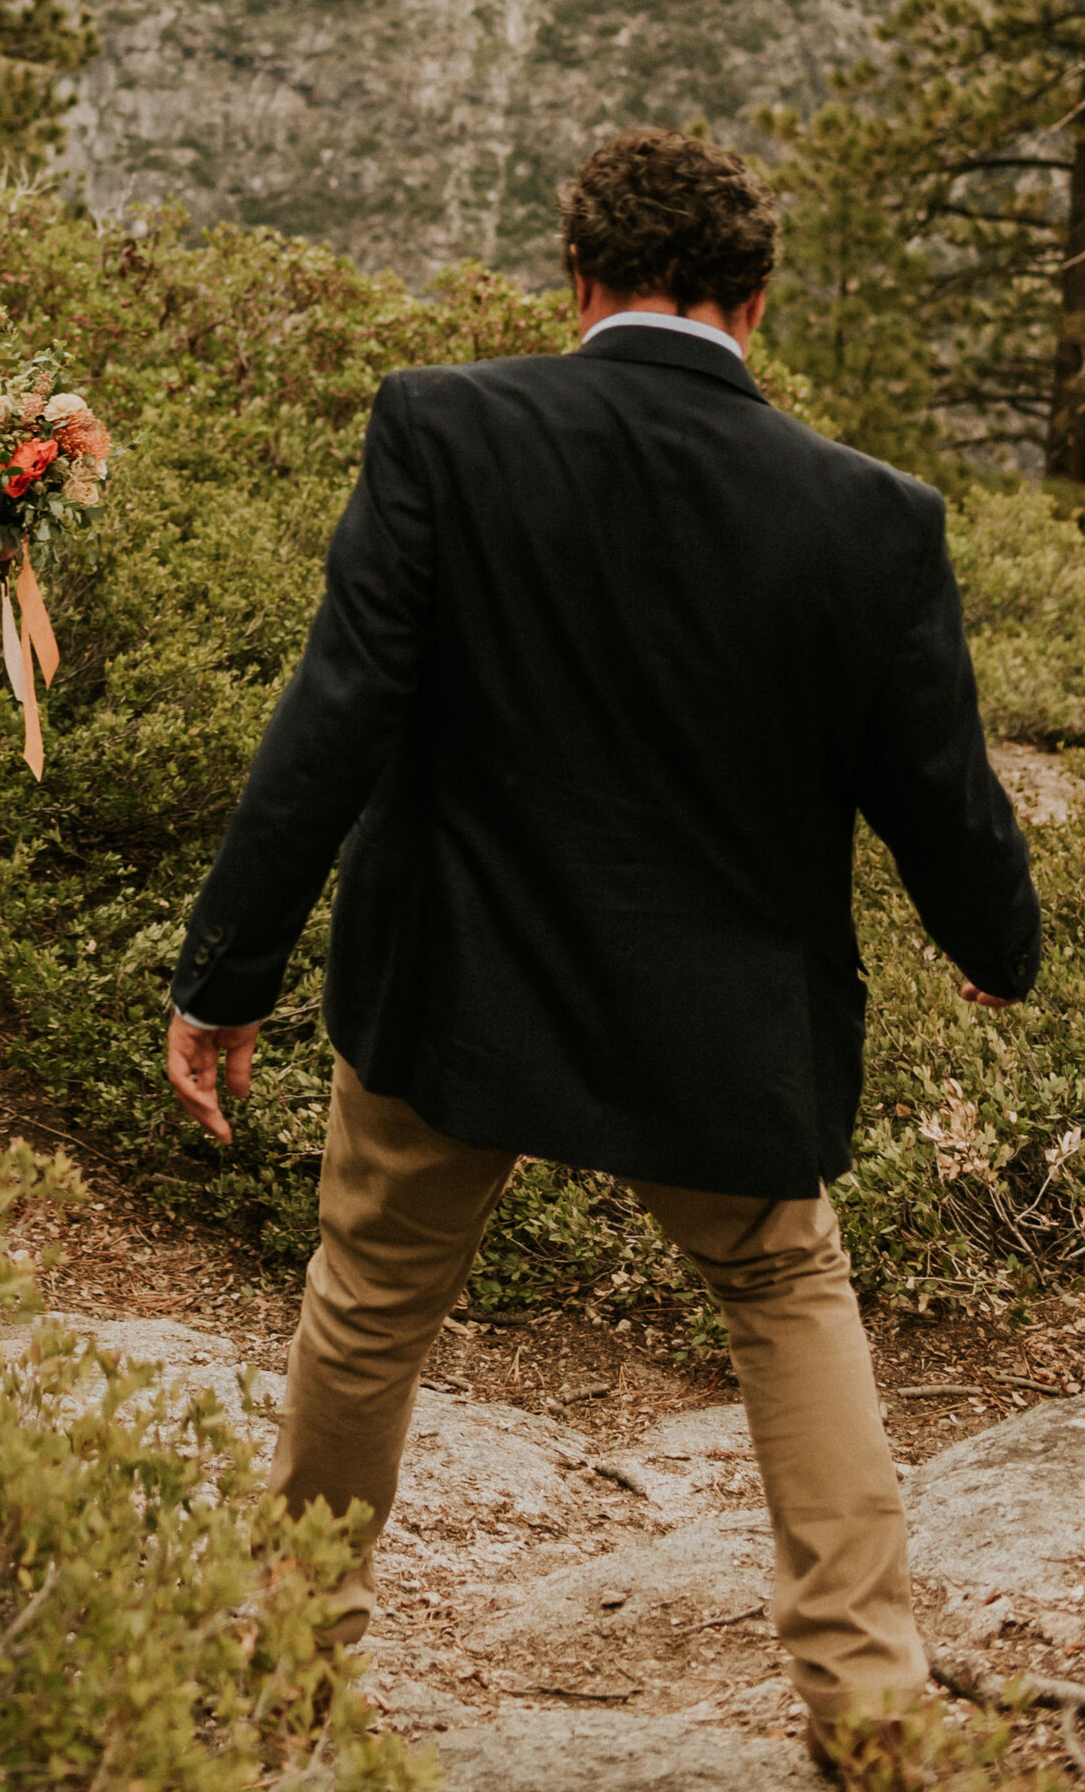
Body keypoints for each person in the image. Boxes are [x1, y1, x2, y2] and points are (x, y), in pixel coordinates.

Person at [162, 129, 1040, 1775]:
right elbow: (940, 787)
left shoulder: (448, 432)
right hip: (717, 1031)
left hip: (453, 996)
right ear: (757, 306)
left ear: (573, 280)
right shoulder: (870, 519)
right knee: (786, 1292)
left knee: (364, 1310)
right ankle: (869, 1712)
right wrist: (998, 942)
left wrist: (226, 973)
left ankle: (293, 1675)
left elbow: (334, 717)